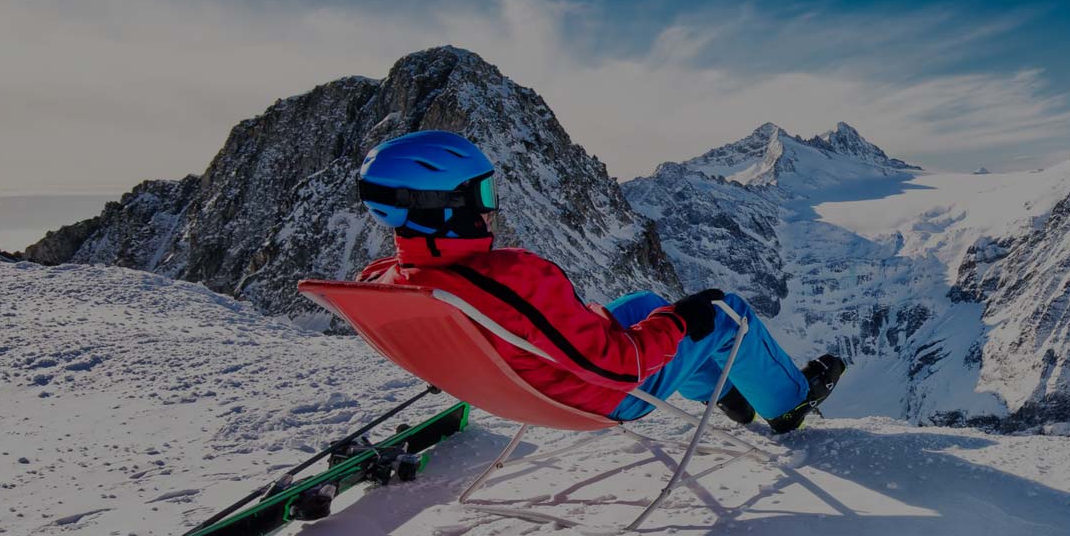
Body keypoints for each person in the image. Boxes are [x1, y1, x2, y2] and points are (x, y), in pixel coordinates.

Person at [353, 130, 843, 433]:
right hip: (598, 397)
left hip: (521, 388)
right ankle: (788, 405)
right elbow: (617, 367)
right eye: (481, 190)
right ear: (444, 204)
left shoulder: (386, 282)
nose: (490, 204)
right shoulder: (512, 277)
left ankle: (728, 394)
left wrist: (661, 315)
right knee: (723, 311)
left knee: (645, 300)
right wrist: (676, 322)